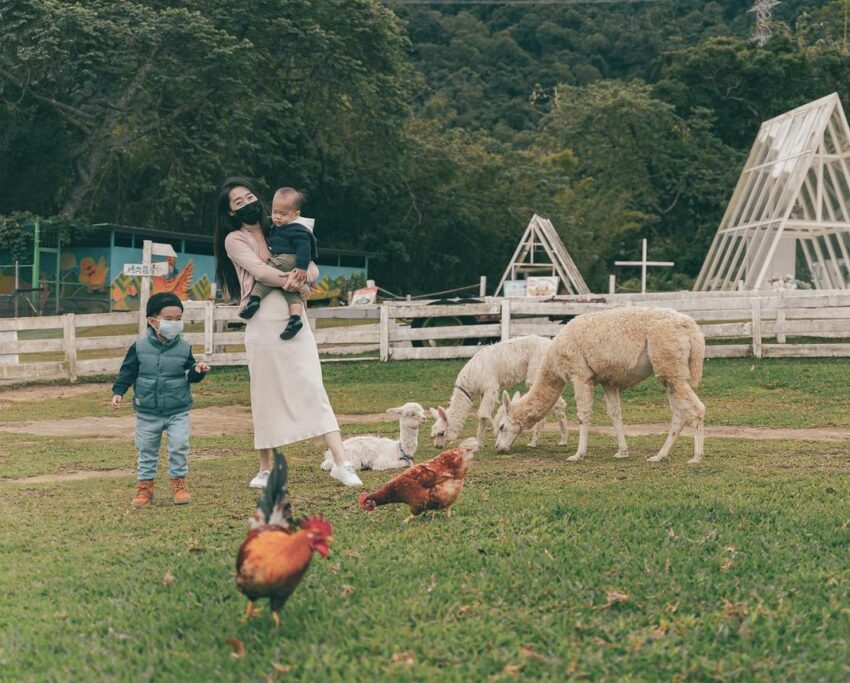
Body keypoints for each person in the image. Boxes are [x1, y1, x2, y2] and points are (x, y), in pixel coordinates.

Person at [213, 176, 363, 488]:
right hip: (262, 321)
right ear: (230, 212)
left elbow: (313, 266)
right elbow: (260, 270)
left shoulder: (284, 225)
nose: (247, 204)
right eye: (238, 202)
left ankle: (341, 462)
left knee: (312, 384)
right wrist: (290, 280)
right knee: (265, 392)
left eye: (250, 197)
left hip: (294, 317)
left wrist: (302, 277)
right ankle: (266, 468)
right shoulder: (234, 240)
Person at [111, 291, 210, 507]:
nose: (174, 324)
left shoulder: (184, 348)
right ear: (152, 321)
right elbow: (127, 372)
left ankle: (179, 484)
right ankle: (145, 487)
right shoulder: (138, 347)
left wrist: (198, 370)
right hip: (147, 411)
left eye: (178, 319)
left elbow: (189, 374)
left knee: (179, 445)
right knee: (146, 449)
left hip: (178, 410)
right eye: (169, 319)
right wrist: (119, 391)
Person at [238, 187, 316, 341]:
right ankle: (295, 319)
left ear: (296, 215)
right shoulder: (276, 226)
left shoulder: (297, 230)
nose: (277, 217)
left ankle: (254, 300)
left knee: (268, 272)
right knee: (291, 292)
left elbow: (304, 248)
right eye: (275, 212)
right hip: (288, 262)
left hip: (289, 259)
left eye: (283, 214)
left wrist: (301, 268)